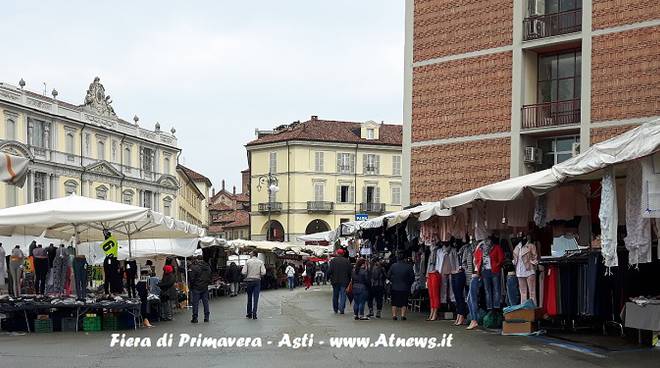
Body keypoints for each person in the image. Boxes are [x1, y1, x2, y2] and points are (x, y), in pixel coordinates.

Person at [387, 253, 415, 321]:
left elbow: (388, 275)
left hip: (394, 286)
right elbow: (412, 277)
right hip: (405, 287)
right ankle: (403, 315)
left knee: (394, 302)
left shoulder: (393, 266)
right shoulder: (409, 266)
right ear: (404, 259)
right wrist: (409, 283)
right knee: (404, 302)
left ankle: (394, 315)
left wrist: (393, 280)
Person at [242, 250, 266, 319]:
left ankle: (249, 313)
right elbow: (263, 272)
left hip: (249, 281)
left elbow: (243, 272)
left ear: (253, 254)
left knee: (249, 297)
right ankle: (254, 314)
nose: (250, 254)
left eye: (250, 253)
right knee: (256, 298)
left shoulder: (248, 261)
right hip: (257, 281)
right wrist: (259, 275)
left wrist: (248, 274)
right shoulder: (260, 262)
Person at [326, 249, 351, 314]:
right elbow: (350, 272)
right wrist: (350, 279)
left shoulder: (333, 261)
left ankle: (335, 309)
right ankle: (342, 308)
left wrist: (327, 278)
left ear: (337, 253)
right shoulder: (347, 261)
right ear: (343, 254)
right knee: (343, 295)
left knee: (335, 295)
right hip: (344, 281)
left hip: (335, 281)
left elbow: (329, 271)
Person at [189, 256, 212, 323]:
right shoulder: (208, 267)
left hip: (196, 287)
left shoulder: (195, 267)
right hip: (205, 286)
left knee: (195, 303)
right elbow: (210, 276)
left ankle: (195, 318)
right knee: (205, 302)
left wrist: (192, 285)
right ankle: (206, 317)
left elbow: (192, 278)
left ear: (197, 260)